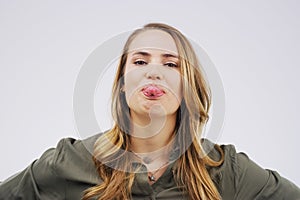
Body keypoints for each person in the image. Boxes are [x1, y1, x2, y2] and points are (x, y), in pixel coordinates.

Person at [0, 23, 299, 200]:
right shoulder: (69, 161)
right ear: (121, 83)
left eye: (170, 64)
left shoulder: (226, 170)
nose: (154, 72)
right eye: (140, 62)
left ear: (187, 86)